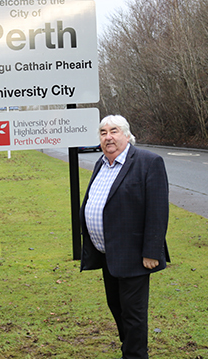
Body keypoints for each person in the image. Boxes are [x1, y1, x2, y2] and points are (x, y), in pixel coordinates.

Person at [80, 115, 170, 359]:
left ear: (127, 135)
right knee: (117, 307)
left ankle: (135, 354)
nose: (108, 137)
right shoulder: (101, 164)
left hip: (135, 256)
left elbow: (158, 209)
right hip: (107, 255)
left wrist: (152, 251)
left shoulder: (148, 162)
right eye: (103, 132)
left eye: (114, 131)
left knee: (133, 314)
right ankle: (129, 348)